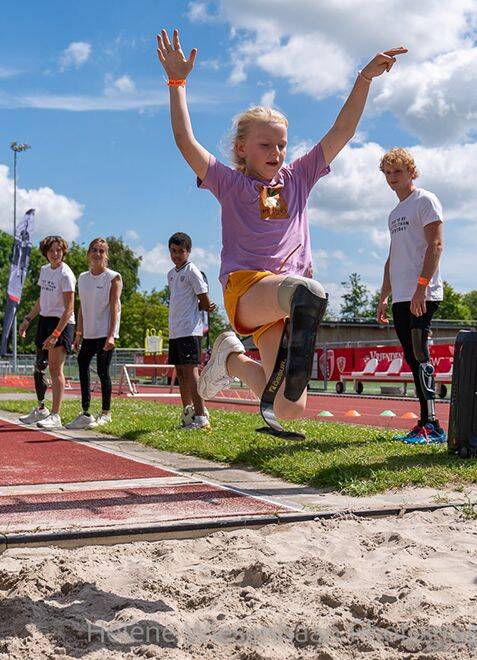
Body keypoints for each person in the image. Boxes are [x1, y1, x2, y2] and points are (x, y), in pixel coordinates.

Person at [157, 28, 407, 426]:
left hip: (287, 304)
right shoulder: (229, 182)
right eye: (265, 145)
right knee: (304, 290)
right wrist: (177, 83)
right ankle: (276, 317)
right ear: (242, 149)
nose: (276, 153)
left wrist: (364, 79)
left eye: (281, 145)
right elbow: (185, 141)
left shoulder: (298, 178)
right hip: (249, 288)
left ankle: (232, 360)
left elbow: (341, 132)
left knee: (290, 408)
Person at [376, 148, 446, 444]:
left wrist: (421, 286)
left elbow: (436, 245)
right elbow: (392, 259)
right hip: (402, 297)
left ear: (411, 172)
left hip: (423, 293)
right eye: (388, 173)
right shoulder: (394, 214)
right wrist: (383, 297)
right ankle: (424, 423)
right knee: (411, 356)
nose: (393, 178)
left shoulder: (425, 200)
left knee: (420, 353)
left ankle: (432, 425)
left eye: (398, 172)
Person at [18, 235, 75, 429]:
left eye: (59, 250)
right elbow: (42, 300)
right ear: (46, 253)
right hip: (45, 320)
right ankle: (41, 409)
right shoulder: (44, 271)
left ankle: (56, 414)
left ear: (63, 251)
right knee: (39, 367)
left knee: (54, 368)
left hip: (62, 322)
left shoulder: (66, 274)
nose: (55, 254)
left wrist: (56, 334)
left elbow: (69, 308)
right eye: (51, 250)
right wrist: (28, 319)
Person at [65, 238, 122, 430]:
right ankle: (85, 412)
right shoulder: (82, 278)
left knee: (102, 370)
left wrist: (112, 334)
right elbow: (82, 307)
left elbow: (114, 308)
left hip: (105, 332)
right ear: (89, 253)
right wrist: (78, 333)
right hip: (88, 332)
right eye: (94, 250)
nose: (98, 254)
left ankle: (106, 412)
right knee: (82, 362)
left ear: (106, 255)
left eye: (102, 251)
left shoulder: (113, 277)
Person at [167, 232, 215, 430]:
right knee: (180, 372)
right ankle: (188, 413)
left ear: (189, 251)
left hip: (190, 329)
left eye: (181, 251)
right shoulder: (171, 274)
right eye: (173, 251)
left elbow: (204, 301)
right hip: (175, 330)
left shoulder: (192, 270)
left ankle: (202, 417)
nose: (177, 255)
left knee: (191, 371)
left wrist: (205, 305)